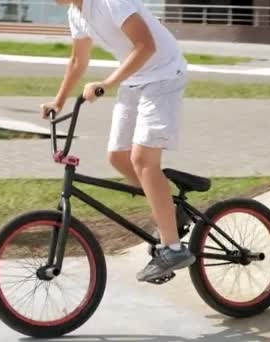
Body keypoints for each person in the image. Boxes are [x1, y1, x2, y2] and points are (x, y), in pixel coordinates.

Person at [41, 0, 195, 282]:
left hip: (164, 75)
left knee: (143, 160)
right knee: (117, 156)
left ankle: (173, 249)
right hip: (135, 80)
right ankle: (172, 214)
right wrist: (58, 101)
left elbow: (146, 46)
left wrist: (106, 84)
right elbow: (78, 61)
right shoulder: (76, 14)